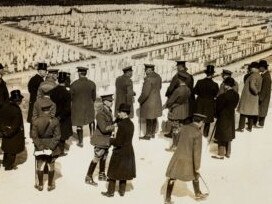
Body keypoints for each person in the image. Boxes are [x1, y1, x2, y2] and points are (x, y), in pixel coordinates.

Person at [165, 114, 208, 204]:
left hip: (177, 157)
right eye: (203, 122)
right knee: (195, 175)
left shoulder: (184, 128)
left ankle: (167, 199)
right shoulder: (198, 133)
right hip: (188, 159)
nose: (202, 124)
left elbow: (176, 140)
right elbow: (197, 152)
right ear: (200, 122)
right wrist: (197, 167)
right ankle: (198, 194)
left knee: (172, 177)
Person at [102, 103, 136, 197]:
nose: (118, 114)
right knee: (124, 172)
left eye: (120, 112)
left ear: (124, 113)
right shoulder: (131, 124)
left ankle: (110, 192)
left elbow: (118, 142)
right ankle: (122, 191)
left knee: (112, 172)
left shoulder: (121, 125)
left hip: (120, 151)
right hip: (129, 150)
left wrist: (111, 141)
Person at [85, 94, 115, 185]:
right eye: (110, 101)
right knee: (97, 157)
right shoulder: (100, 113)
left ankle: (101, 174)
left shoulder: (109, 111)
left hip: (106, 139)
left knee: (104, 156)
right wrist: (114, 126)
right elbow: (104, 128)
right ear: (104, 102)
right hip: (100, 139)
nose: (111, 102)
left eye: (112, 101)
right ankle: (88, 176)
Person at [31, 103, 61, 191]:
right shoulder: (55, 120)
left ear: (42, 110)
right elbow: (58, 136)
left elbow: (34, 136)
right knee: (51, 164)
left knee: (40, 165)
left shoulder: (35, 120)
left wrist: (40, 146)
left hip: (39, 144)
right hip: (51, 144)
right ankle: (50, 185)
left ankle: (40, 185)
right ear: (49, 110)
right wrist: (51, 147)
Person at [212, 78, 240, 159]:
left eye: (224, 84)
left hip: (223, 116)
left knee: (221, 135)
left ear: (227, 85)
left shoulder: (222, 96)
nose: (224, 86)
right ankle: (228, 152)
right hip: (231, 115)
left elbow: (218, 108)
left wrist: (216, 114)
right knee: (228, 134)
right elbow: (234, 105)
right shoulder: (236, 95)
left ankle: (221, 154)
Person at [163, 73, 191, 151]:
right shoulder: (188, 89)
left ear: (179, 80)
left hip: (176, 111)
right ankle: (178, 145)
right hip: (184, 111)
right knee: (180, 128)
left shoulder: (178, 90)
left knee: (175, 129)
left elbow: (170, 101)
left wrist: (167, 106)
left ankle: (175, 146)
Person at [70, 67, 96, 147]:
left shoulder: (74, 84)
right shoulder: (92, 83)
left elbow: (71, 97)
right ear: (86, 73)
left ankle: (81, 142)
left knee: (79, 124)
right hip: (89, 106)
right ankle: (93, 138)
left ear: (79, 73)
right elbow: (94, 97)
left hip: (78, 107)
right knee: (91, 121)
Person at [0, 90, 25, 170]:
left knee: (7, 149)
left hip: (5, 130)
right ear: (17, 101)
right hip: (13, 134)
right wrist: (10, 132)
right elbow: (16, 125)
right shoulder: (16, 110)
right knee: (12, 151)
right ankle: (9, 166)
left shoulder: (4, 105)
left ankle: (4, 162)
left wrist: (4, 130)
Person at [50, 72, 73, 156]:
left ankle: (54, 149)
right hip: (63, 118)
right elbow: (67, 109)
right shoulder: (67, 93)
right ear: (65, 81)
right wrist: (60, 117)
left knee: (54, 133)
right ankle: (61, 151)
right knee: (62, 135)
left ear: (58, 80)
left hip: (53, 116)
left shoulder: (52, 91)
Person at [193, 65, 219, 137]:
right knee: (207, 122)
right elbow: (216, 95)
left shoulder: (199, 82)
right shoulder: (215, 85)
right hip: (209, 104)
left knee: (198, 120)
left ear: (206, 73)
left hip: (199, 103)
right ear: (213, 74)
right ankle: (205, 135)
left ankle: (196, 135)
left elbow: (195, 92)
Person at [236, 62, 262, 132]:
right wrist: (256, 93)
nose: (250, 69)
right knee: (251, 113)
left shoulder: (253, 75)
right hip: (253, 97)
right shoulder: (259, 75)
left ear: (255, 68)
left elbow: (252, 86)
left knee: (243, 112)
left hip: (248, 97)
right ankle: (249, 127)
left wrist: (255, 92)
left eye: (251, 68)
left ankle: (241, 128)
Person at [138, 64, 162, 140]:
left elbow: (145, 93)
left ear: (150, 70)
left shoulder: (148, 79)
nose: (145, 72)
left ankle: (148, 135)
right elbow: (160, 87)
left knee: (148, 117)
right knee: (154, 116)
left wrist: (140, 100)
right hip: (157, 100)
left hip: (149, 101)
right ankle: (152, 133)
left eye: (146, 70)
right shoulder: (158, 77)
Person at [254, 60, 271, 128]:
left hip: (264, 96)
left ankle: (261, 124)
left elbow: (264, 89)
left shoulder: (266, 77)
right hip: (264, 96)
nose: (258, 69)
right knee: (261, 109)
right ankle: (259, 122)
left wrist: (260, 98)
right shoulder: (264, 74)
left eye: (259, 67)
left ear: (263, 67)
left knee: (262, 109)